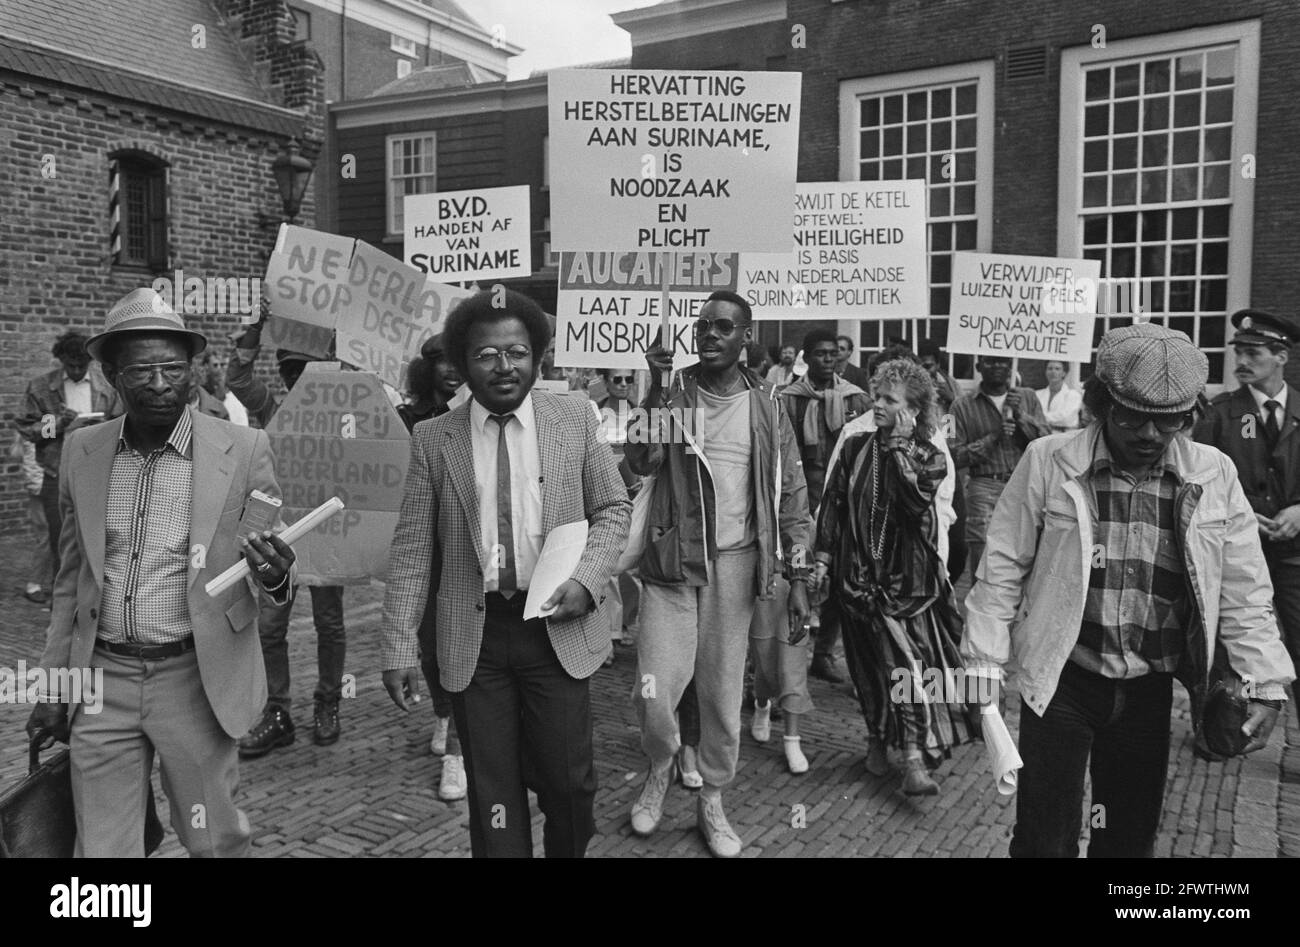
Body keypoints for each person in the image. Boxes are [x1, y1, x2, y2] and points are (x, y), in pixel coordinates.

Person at [964, 323, 1295, 858]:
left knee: (1125, 839)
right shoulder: (1050, 460)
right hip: (1061, 681)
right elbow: (1003, 564)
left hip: (1149, 688)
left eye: (1166, 423)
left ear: (1187, 418)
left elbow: (1244, 588)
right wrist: (983, 659)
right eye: (1131, 417)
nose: (1147, 435)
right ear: (1101, 404)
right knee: (1044, 840)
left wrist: (1266, 680)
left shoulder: (1214, 474)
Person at [24, 288, 295, 857]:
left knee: (212, 838)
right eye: (141, 369)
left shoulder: (244, 450)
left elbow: (273, 567)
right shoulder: (82, 451)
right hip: (102, 681)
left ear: (193, 371)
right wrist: (53, 686)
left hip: (193, 680)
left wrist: (274, 574)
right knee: (103, 850)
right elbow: (71, 582)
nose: (159, 382)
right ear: (111, 375)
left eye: (173, 367)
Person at [381, 288, 631, 858]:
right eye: (485, 355)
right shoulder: (434, 438)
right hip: (478, 635)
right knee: (492, 792)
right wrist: (397, 645)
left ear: (538, 356)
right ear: (463, 363)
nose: (503, 366)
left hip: (557, 626)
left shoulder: (572, 418)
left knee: (570, 784)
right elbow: (415, 548)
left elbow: (613, 509)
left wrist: (588, 580)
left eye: (517, 352)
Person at [627, 290, 811, 858]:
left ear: (745, 337)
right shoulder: (673, 390)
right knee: (655, 690)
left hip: (737, 567)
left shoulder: (768, 405)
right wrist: (655, 392)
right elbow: (640, 462)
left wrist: (799, 578)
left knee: (722, 693)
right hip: (672, 563)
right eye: (702, 325)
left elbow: (792, 497)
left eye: (723, 327)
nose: (709, 334)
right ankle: (662, 763)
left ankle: (712, 798)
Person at [814, 358, 978, 795]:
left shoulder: (930, 455)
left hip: (905, 586)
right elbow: (832, 506)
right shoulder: (853, 446)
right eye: (877, 395)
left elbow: (914, 502)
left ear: (914, 410)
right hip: (855, 580)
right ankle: (874, 738)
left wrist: (902, 446)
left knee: (904, 667)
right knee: (867, 668)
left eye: (890, 399)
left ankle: (911, 756)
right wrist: (823, 562)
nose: (878, 404)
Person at [227, 302, 348, 754]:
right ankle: (277, 712)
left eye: (307, 372)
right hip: (278, 538)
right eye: (291, 372)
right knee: (270, 628)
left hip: (328, 536)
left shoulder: (344, 413)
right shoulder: (273, 410)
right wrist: (254, 330)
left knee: (329, 623)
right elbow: (238, 382)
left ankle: (328, 702)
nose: (298, 381)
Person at [1194, 309, 1300, 668]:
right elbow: (1197, 481)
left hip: (1293, 555)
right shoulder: (1220, 413)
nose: (1241, 361)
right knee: (1231, 653)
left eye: (1253, 353)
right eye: (1238, 352)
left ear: (1281, 357)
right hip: (1236, 553)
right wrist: (1238, 512)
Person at [396, 341, 467, 803]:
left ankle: (457, 755)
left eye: (459, 361)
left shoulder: (479, 415)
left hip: (466, 545)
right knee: (429, 642)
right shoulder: (407, 419)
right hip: (425, 547)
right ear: (428, 368)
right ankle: (443, 711)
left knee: (462, 642)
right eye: (442, 362)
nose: (451, 371)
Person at [781, 329, 871, 684]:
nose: (828, 359)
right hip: (800, 500)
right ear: (806, 356)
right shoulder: (789, 399)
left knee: (839, 580)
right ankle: (783, 663)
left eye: (833, 353)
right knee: (794, 575)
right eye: (820, 353)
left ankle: (824, 653)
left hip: (842, 503)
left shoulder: (857, 400)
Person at [17, 332, 122, 589]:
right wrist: (58, 423)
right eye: (70, 365)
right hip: (57, 473)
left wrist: (104, 426)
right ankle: (61, 598)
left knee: (100, 538)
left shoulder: (106, 387)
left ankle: (93, 596)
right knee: (59, 540)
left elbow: (122, 424)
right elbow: (26, 428)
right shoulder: (41, 387)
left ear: (89, 361)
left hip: (98, 473)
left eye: (81, 365)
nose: (75, 370)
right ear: (60, 359)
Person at [950, 355, 1051, 580]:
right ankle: (981, 609)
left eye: (1003, 361)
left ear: (1010, 366)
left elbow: (1045, 441)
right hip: (983, 486)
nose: (998, 366)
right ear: (978, 367)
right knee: (984, 553)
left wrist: (1020, 417)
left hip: (1022, 483)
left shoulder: (1028, 397)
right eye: (990, 362)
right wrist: (993, 437)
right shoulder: (959, 406)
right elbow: (954, 454)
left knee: (1024, 549)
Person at [596, 367, 642, 656]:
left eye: (629, 379)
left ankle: (626, 622)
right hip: (603, 500)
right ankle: (609, 634)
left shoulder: (642, 415)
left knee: (632, 569)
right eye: (618, 379)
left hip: (635, 496)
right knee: (608, 567)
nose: (624, 385)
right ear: (605, 382)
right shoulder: (594, 415)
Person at [1036, 360, 1083, 432]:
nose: (1053, 372)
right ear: (1046, 372)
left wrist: (1039, 418)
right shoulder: (1037, 394)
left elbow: (1066, 419)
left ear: (1064, 373)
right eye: (1050, 368)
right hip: (1039, 437)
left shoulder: (1073, 395)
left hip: (1063, 438)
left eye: (1057, 369)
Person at [917, 341, 959, 414]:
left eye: (928, 367)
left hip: (947, 424)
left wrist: (951, 398)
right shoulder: (913, 383)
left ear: (938, 365)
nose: (924, 371)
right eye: (922, 367)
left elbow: (966, 410)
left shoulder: (950, 383)